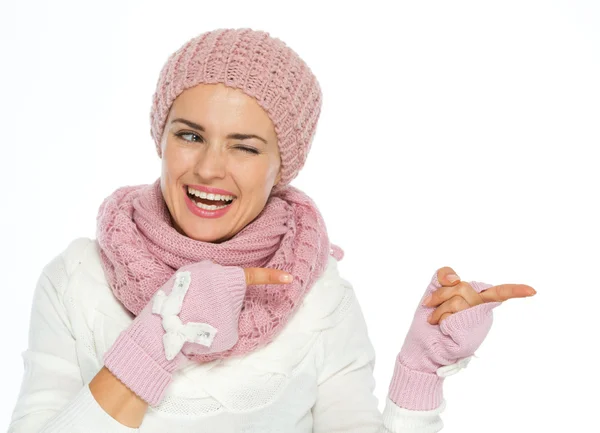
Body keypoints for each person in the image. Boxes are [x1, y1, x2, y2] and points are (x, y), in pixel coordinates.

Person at [7, 28, 536, 433]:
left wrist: (420, 374)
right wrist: (161, 336)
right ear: (160, 138)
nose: (209, 169)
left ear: (283, 166)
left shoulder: (318, 296)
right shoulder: (79, 278)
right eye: (190, 134)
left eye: (245, 145)